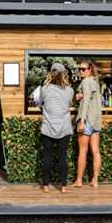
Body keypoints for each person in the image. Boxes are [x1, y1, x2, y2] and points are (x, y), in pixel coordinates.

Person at [34, 62, 75, 194]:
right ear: (64, 74)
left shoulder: (44, 88)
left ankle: (45, 185)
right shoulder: (69, 90)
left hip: (48, 127)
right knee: (63, 157)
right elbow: (69, 103)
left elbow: (39, 103)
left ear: (51, 73)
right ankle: (63, 186)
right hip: (64, 127)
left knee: (47, 157)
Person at [74, 59, 103, 188]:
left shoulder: (86, 82)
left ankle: (79, 181)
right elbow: (91, 100)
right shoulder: (95, 83)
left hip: (86, 120)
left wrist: (82, 121)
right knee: (96, 151)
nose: (81, 71)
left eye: (83, 69)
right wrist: (79, 96)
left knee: (83, 151)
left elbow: (85, 102)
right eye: (79, 69)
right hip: (96, 121)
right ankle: (95, 180)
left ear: (90, 70)